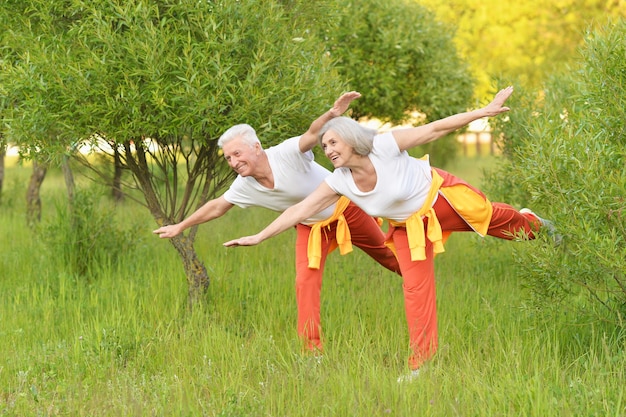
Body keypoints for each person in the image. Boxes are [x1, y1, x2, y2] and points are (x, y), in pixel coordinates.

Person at [223, 86, 555, 381]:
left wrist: (482, 112)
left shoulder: (384, 145)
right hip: (409, 228)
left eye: (333, 142)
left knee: (499, 221)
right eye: (324, 146)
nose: (328, 150)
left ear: (351, 139)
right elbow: (298, 211)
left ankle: (536, 224)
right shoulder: (339, 181)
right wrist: (259, 236)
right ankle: (421, 365)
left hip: (442, 200)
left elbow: (434, 129)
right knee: (415, 289)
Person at [154, 91, 401, 353]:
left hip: (346, 210)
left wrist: (331, 114)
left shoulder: (285, 154)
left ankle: (418, 280)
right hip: (309, 226)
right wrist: (180, 226)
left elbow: (310, 135)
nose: (234, 162)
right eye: (228, 158)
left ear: (256, 147)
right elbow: (217, 206)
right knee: (304, 283)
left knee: (389, 257)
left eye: (237, 153)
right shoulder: (244, 185)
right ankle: (312, 351)